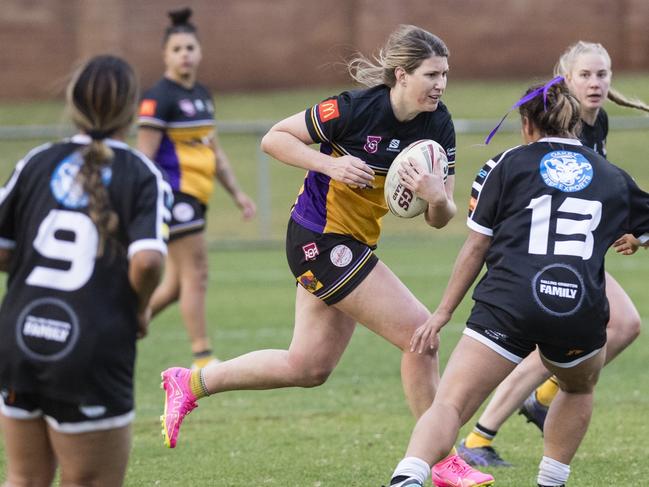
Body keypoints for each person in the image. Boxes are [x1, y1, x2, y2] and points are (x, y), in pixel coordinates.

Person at [159, 24, 494, 486]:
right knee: (421, 334)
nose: (440, 85)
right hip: (319, 239)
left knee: (308, 366)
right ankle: (439, 460)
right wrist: (329, 162)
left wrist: (436, 197)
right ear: (401, 75)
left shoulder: (438, 124)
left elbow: (439, 218)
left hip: (354, 244)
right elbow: (273, 138)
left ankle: (190, 383)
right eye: (431, 75)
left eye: (445, 75)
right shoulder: (354, 108)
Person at [385, 78, 649, 487]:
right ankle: (551, 481)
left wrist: (442, 312)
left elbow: (476, 247)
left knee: (451, 404)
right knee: (577, 388)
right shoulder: (613, 177)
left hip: (508, 302)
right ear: (576, 123)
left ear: (527, 124)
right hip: (575, 306)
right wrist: (637, 236)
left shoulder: (503, 164)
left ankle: (409, 474)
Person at [457, 41, 649, 468]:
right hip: (539, 254)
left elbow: (593, 196)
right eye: (585, 75)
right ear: (566, 78)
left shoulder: (596, 126)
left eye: (602, 74)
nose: (595, 83)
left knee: (623, 325)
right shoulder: (561, 123)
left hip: (570, 254)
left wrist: (633, 232)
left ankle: (537, 402)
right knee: (559, 343)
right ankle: (480, 435)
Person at [0, 55, 168, 487]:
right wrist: (142, 308)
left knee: (23, 478)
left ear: (73, 104)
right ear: (131, 110)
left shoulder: (36, 161)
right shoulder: (141, 173)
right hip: (91, 347)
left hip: (20, 336)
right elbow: (148, 260)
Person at [137, 7, 256, 370]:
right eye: (176, 49)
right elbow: (144, 158)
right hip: (176, 198)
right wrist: (148, 202)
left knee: (174, 287)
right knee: (197, 273)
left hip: (197, 197)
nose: (184, 54)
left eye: (190, 47)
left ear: (199, 52)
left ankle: (123, 327)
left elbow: (214, 151)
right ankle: (203, 355)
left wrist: (237, 193)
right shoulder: (158, 98)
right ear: (165, 56)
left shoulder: (203, 95)